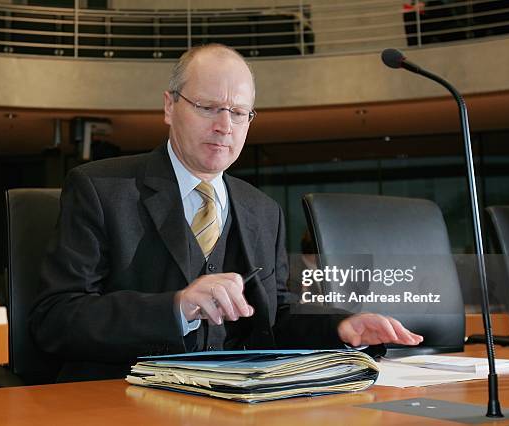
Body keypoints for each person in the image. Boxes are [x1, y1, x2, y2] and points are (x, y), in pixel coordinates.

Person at [29, 43, 422, 382]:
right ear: (169, 106)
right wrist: (177, 306)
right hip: (122, 397)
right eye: (208, 107)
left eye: (239, 113)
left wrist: (339, 326)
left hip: (237, 401)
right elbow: (56, 318)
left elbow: (275, 318)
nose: (224, 126)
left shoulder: (262, 210)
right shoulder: (100, 188)